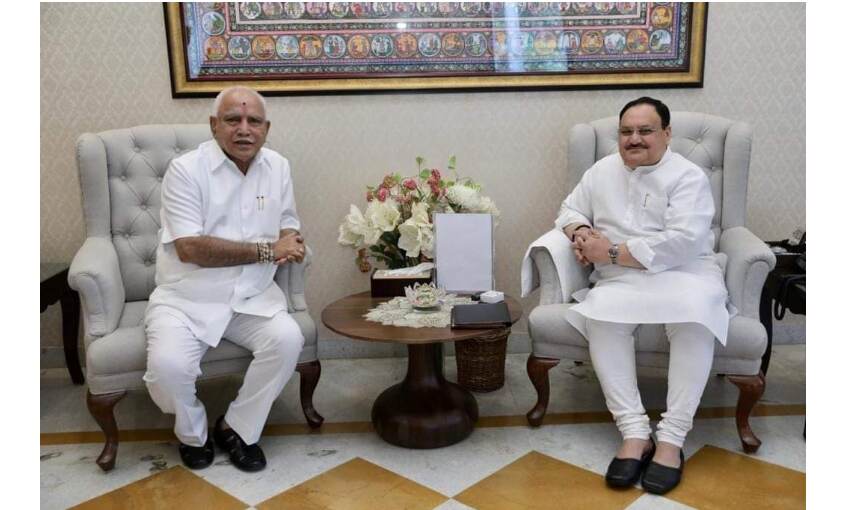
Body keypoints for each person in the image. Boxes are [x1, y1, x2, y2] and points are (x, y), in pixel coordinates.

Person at [556, 97, 730, 494]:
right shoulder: (601, 171)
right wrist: (580, 233)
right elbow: (568, 209)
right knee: (602, 314)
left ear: (667, 134)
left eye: (645, 131)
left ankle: (671, 439)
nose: (634, 139)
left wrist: (609, 252)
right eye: (626, 131)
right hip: (622, 278)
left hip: (685, 272)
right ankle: (634, 432)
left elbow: (683, 242)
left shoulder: (688, 176)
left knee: (695, 316)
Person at [143, 86, 307, 472]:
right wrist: (269, 250)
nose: (244, 129)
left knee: (288, 340)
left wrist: (291, 239)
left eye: (254, 121)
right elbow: (190, 248)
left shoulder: (278, 166)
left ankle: (237, 428)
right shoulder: (185, 170)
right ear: (214, 125)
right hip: (187, 298)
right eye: (233, 119)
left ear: (266, 128)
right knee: (167, 371)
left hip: (251, 296)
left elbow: (288, 221)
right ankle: (193, 434)